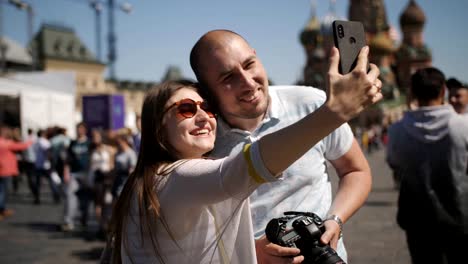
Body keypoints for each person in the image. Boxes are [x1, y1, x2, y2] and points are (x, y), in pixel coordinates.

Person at [107, 39, 381, 263]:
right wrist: (333, 113)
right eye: (186, 109)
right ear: (158, 129)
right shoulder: (178, 175)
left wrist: (334, 219)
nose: (248, 82)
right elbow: (244, 168)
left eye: (206, 108)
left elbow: (202, 246)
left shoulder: (148, 179)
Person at [189, 29, 379, 263]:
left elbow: (355, 170)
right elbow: (189, 232)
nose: (248, 83)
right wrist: (250, 253)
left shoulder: (312, 104)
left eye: (249, 64)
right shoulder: (199, 141)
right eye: (228, 78)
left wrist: (335, 219)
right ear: (206, 89)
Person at [386, 67, 468, 264]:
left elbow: (394, 162)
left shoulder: (397, 130)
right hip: (460, 216)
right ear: (443, 92)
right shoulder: (462, 126)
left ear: (412, 93)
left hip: (417, 219)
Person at [62, 122, 91, 231]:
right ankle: (68, 221)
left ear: (85, 130)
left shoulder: (89, 143)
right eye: (78, 129)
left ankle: (84, 218)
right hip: (74, 173)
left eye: (82, 129)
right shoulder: (72, 143)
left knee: (85, 198)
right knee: (70, 196)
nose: (80, 131)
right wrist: (66, 171)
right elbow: (67, 159)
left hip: (86, 173)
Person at [0, 125, 33, 220]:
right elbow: (22, 146)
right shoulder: (6, 143)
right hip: (5, 170)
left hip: (2, 169)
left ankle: (3, 209)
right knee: (3, 192)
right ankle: (1, 210)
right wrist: (31, 140)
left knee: (2, 190)